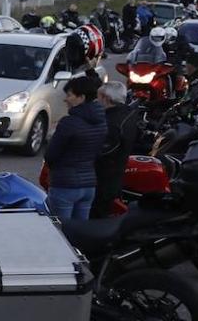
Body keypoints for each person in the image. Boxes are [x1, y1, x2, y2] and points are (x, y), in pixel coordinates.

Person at [44, 75, 107, 222]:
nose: (66, 99)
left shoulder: (69, 123)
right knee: (80, 231)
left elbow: (51, 154)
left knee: (60, 231)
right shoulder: (101, 121)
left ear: (81, 97)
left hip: (65, 184)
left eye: (69, 95)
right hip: (88, 185)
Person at [91, 81, 142, 218]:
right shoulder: (128, 113)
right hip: (115, 177)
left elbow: (102, 152)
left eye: (99, 97)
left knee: (96, 217)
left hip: (102, 181)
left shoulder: (112, 123)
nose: (96, 100)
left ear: (106, 99)